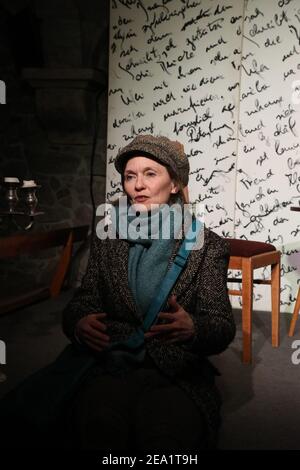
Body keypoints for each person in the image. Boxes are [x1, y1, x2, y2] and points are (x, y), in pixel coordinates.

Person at [61, 134, 236, 451]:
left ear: (173, 185)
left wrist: (193, 328)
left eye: (150, 174)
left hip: (175, 370)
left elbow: (221, 324)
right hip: (111, 361)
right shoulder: (108, 234)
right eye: (130, 176)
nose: (137, 185)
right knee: (98, 429)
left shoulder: (206, 245)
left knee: (165, 439)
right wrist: (79, 322)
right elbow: (84, 299)